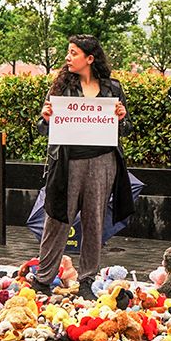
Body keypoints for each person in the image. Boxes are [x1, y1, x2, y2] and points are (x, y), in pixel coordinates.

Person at [33, 34, 133, 301]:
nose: (68, 57)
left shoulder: (112, 88)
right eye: (68, 52)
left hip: (102, 163)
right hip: (67, 163)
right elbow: (42, 128)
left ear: (89, 58)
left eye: (73, 53)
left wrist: (122, 118)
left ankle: (87, 278)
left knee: (94, 220)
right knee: (57, 219)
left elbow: (127, 128)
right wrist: (45, 118)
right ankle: (43, 278)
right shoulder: (61, 87)